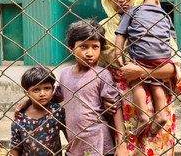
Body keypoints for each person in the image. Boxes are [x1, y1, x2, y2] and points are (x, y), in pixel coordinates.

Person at [100, 0, 181, 155]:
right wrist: (103, 96)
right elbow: (96, 69)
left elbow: (177, 68)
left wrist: (143, 72)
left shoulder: (156, 22)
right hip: (119, 108)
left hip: (158, 104)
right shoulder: (102, 29)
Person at [54, 19, 128, 156]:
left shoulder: (102, 74)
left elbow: (115, 107)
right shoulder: (65, 73)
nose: (90, 53)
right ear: (71, 49)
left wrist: (121, 142)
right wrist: (28, 101)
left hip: (99, 143)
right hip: (75, 144)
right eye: (83, 46)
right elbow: (54, 97)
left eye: (95, 47)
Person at [114, 0, 177, 136]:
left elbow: (121, 34)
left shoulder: (132, 11)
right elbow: (172, 38)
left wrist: (118, 53)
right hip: (162, 56)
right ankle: (161, 115)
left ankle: (142, 115)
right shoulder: (165, 15)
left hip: (141, 56)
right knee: (157, 83)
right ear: (157, 0)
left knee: (136, 81)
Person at [10, 66, 65, 156]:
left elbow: (70, 134)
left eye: (47, 88)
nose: (42, 94)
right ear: (26, 92)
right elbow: (15, 147)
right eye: (36, 90)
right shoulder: (20, 118)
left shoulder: (57, 111)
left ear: (53, 89)